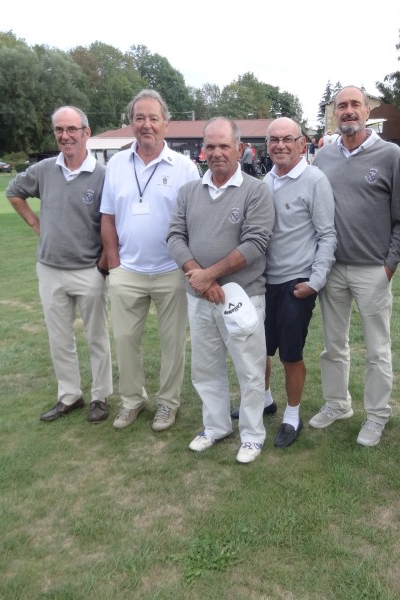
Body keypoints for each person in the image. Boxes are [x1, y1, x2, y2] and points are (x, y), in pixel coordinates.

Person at [167, 117, 274, 464]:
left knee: (250, 369)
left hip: (243, 297)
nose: (216, 153)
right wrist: (199, 276)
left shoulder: (256, 191)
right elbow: (174, 236)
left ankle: (252, 435)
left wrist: (209, 276)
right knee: (206, 367)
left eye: (224, 146)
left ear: (239, 149)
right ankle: (215, 427)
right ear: (203, 150)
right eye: (210, 146)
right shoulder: (189, 192)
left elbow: (255, 243)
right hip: (200, 297)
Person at [310, 86, 400, 447]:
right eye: (341, 106)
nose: (348, 111)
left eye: (355, 105)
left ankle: (377, 415)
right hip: (332, 268)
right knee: (333, 345)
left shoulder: (391, 155)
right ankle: (338, 404)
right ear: (334, 113)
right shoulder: (323, 157)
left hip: (373, 270)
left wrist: (390, 265)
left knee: (377, 350)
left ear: (368, 111)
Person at [100, 90, 200, 432]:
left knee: (173, 343)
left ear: (166, 123)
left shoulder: (185, 167)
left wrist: (189, 265)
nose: (146, 125)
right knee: (125, 340)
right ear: (131, 122)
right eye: (139, 118)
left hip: (172, 270)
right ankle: (132, 400)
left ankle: (168, 403)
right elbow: (108, 218)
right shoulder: (115, 165)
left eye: (153, 118)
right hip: (127, 270)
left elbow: (196, 219)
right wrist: (114, 265)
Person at [6, 106, 112, 423]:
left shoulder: (103, 175)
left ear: (86, 133)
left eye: (71, 129)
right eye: (59, 130)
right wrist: (36, 225)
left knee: (97, 338)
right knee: (59, 339)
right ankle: (69, 396)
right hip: (50, 269)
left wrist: (103, 264)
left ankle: (100, 397)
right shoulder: (44, 170)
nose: (65, 136)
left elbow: (112, 223)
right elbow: (14, 191)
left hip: (89, 270)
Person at [261, 117, 337, 448]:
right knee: (259, 350)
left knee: (290, 355)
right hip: (264, 282)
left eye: (287, 139)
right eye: (273, 140)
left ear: (301, 144)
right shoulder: (266, 181)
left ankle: (292, 415)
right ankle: (264, 400)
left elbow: (327, 235)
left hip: (296, 283)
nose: (280, 145)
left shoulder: (315, 180)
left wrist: (315, 282)